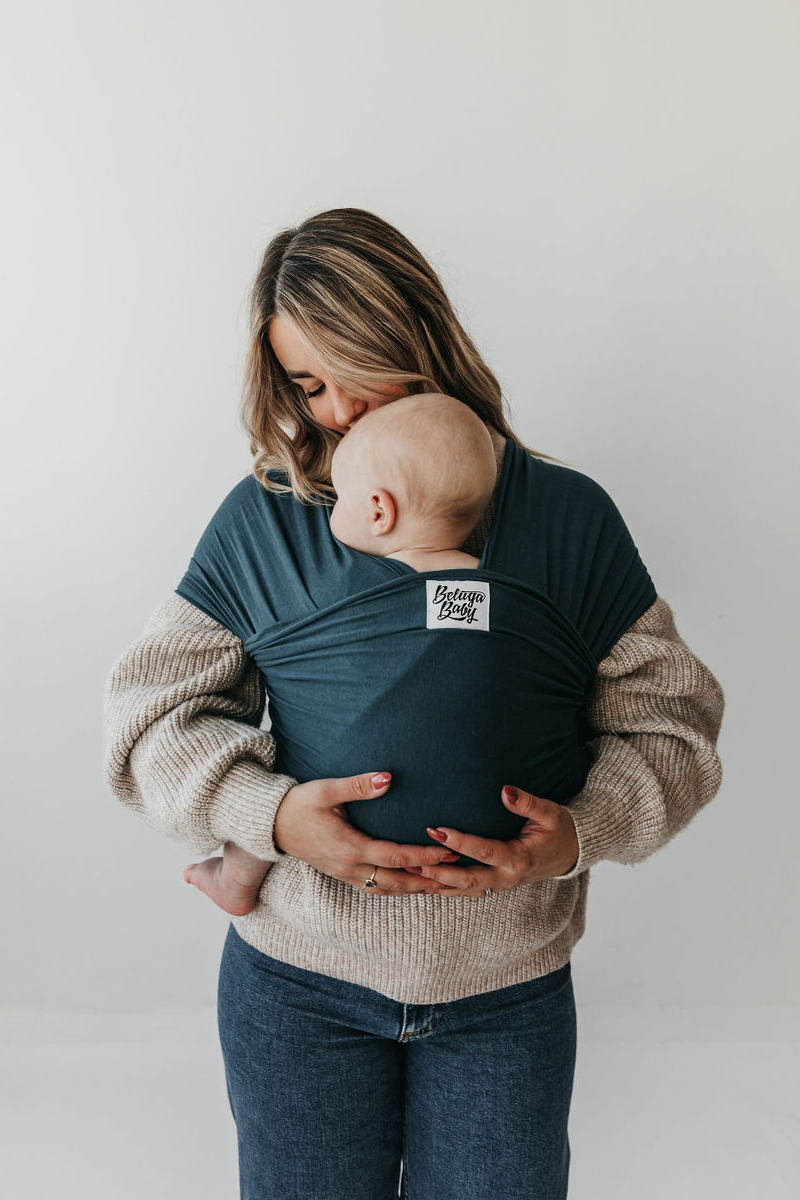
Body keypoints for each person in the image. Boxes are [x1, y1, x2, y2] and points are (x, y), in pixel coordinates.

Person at [103, 207, 725, 1200]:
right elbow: (149, 718)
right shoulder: (271, 518)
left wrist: (577, 835)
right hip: (297, 994)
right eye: (308, 384)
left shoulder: (565, 519)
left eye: (355, 368)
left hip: (506, 1000)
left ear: (416, 335)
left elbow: (672, 727)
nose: (338, 410)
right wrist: (270, 817)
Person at [182, 391, 498, 917]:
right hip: (491, 827)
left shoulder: (337, 591)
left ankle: (236, 878)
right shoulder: (500, 590)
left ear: (378, 510)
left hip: (338, 793)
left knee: (292, 755)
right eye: (309, 386)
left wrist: (271, 813)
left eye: (342, 497)